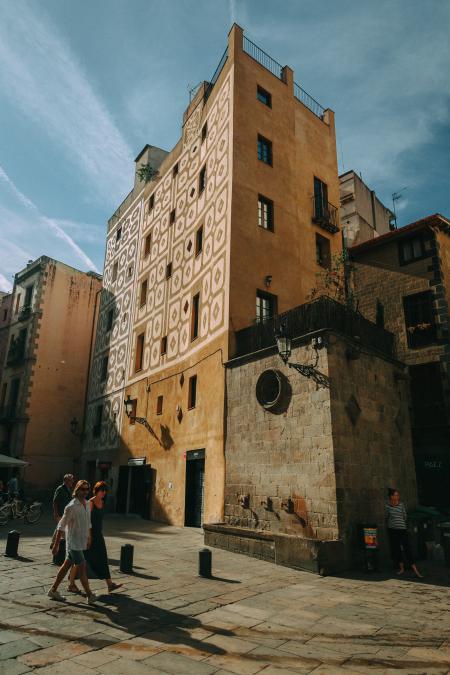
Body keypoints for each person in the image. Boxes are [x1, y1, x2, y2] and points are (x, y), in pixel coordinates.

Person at [47, 480, 97, 604]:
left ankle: (53, 590)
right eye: (83, 489)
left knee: (65, 566)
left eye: (87, 489)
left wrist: (89, 537)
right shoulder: (71, 507)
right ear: (77, 490)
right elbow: (61, 526)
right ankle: (90, 595)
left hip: (81, 541)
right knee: (82, 566)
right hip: (73, 542)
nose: (85, 492)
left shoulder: (87, 503)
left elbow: (88, 523)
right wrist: (56, 545)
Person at [68, 481, 122, 594]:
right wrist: (88, 536)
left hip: (99, 535)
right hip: (89, 535)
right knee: (79, 560)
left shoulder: (102, 502)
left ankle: (110, 584)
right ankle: (71, 583)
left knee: (103, 558)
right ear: (96, 491)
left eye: (105, 491)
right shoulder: (90, 503)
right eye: (102, 491)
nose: (104, 493)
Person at [385, 488, 423, 578]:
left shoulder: (401, 505)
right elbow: (387, 517)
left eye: (398, 495)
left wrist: (401, 524)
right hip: (393, 530)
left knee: (407, 548)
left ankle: (415, 569)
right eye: (395, 495)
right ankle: (401, 568)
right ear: (391, 496)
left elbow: (404, 516)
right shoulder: (387, 507)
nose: (397, 496)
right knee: (397, 549)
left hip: (402, 529)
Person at [51, 474, 74, 565]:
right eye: (71, 480)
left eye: (72, 480)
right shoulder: (60, 489)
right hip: (60, 513)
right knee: (64, 531)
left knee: (59, 528)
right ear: (66, 481)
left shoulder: (68, 489)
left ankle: (53, 543)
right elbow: (55, 501)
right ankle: (67, 548)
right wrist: (55, 513)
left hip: (66, 513)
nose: (72, 481)